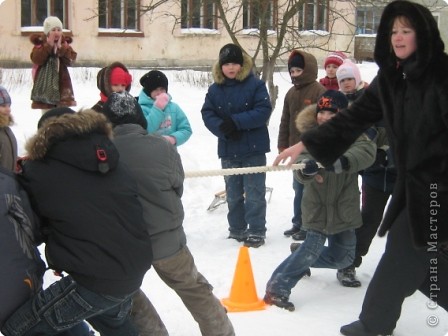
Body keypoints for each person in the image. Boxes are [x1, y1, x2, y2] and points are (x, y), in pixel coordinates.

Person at [273, 1, 448, 335]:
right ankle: (375, 322)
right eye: (393, 31)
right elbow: (352, 119)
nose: (398, 37)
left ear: (423, 34)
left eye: (406, 30)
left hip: (439, 190)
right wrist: (305, 143)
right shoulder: (393, 79)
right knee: (424, 266)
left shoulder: (442, 76)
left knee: (402, 255)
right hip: (414, 188)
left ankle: (373, 325)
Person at [1, 108, 153, 336]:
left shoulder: (40, 171)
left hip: (94, 278)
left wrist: (22, 176)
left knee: (19, 327)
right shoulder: (112, 160)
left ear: (45, 137)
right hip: (132, 268)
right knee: (110, 321)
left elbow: (31, 227)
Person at [103, 91, 235, 336]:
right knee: (194, 290)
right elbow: (177, 185)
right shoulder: (161, 147)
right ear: (140, 117)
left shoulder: (101, 153)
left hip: (123, 246)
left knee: (130, 298)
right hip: (166, 239)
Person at [264, 90, 376, 311]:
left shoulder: (355, 135)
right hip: (318, 208)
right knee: (311, 249)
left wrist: (340, 161)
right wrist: (307, 169)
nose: (324, 117)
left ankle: (300, 254)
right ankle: (277, 287)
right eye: (321, 111)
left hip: (344, 208)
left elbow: (366, 153)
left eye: (331, 113)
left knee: (344, 258)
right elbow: (300, 170)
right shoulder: (310, 137)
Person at [201, 43, 272, 248]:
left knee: (255, 193)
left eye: (235, 64)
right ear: (220, 66)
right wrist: (222, 128)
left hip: (253, 150)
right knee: (232, 194)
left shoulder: (255, 85)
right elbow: (207, 114)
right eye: (227, 64)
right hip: (229, 149)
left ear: (242, 65)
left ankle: (257, 230)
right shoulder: (215, 90)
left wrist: (237, 122)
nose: (231, 68)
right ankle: (237, 229)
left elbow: (263, 110)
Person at [335, 58, 395, 288]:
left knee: (406, 225)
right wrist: (376, 151)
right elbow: (363, 135)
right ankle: (349, 263)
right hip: (376, 174)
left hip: (405, 176)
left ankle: (409, 269)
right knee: (369, 220)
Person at [279, 50, 325, 241]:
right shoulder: (290, 93)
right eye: (292, 71)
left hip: (312, 150)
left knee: (310, 190)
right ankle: (297, 222)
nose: (295, 74)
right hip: (294, 149)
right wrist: (282, 144)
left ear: (308, 69)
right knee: (297, 187)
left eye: (299, 70)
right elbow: (285, 120)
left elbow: (325, 121)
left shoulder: (319, 91)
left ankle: (309, 225)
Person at [29, 16, 77, 113]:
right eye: (53, 30)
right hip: (46, 87)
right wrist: (48, 46)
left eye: (59, 30)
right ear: (47, 32)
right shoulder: (40, 44)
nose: (56, 32)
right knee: (47, 116)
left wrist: (61, 48)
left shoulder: (65, 44)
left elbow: (71, 60)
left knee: (62, 117)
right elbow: (37, 59)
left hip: (62, 87)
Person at [138, 70, 192, 146]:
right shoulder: (141, 109)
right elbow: (145, 131)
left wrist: (173, 139)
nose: (159, 92)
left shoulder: (174, 108)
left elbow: (186, 129)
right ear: (148, 91)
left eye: (162, 89)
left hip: (170, 154)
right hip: (148, 154)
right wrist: (157, 108)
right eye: (156, 89)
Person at [0, 85, 17, 172]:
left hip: (8, 181)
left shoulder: (6, 129)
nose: (8, 109)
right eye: (3, 106)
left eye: (9, 105)